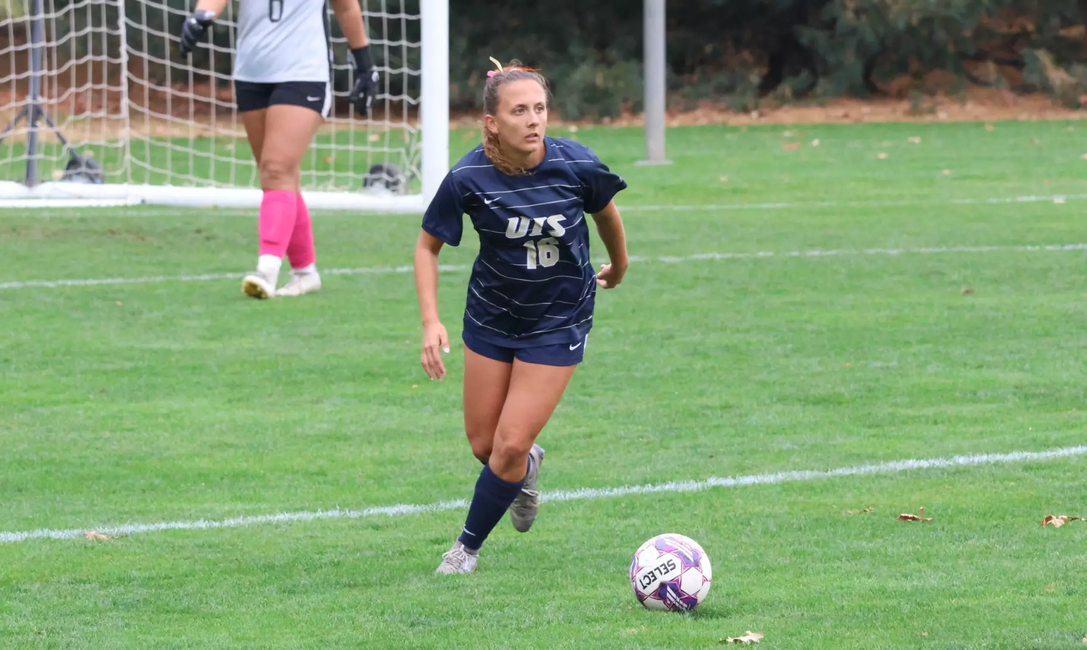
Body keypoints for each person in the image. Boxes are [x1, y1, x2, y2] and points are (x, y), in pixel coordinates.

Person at [413, 58, 630, 574]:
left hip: (558, 320)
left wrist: (620, 265)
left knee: (507, 445)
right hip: (491, 318)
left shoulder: (576, 164)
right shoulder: (467, 176)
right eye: (519, 111)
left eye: (540, 108)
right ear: (493, 122)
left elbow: (607, 215)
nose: (533, 120)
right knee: (486, 446)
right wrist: (430, 320)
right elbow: (427, 248)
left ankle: (464, 550)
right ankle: (526, 466)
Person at [177, 0, 380, 299]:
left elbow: (346, 7)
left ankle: (266, 271)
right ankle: (305, 272)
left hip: (304, 74)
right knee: (279, 179)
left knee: (276, 170)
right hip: (251, 73)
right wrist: (201, 16)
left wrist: (365, 65)